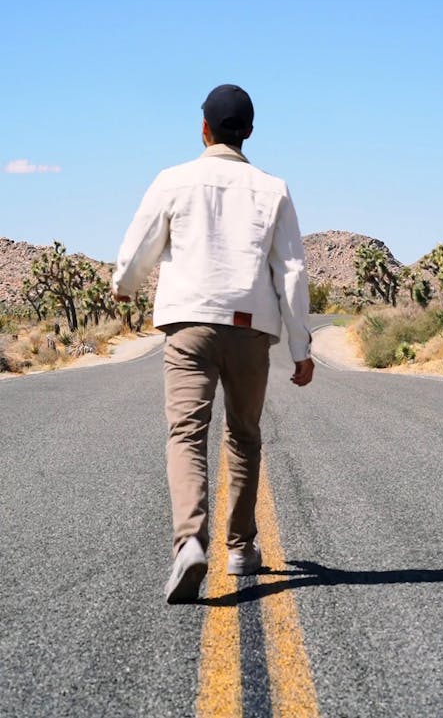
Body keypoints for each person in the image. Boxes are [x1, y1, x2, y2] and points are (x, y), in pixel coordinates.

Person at [112, 84, 314, 604]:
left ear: (203, 128)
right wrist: (300, 347)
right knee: (244, 433)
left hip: (188, 323)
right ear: (248, 132)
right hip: (250, 327)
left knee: (186, 432)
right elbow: (291, 271)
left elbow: (138, 249)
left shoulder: (173, 181)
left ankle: (189, 544)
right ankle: (242, 547)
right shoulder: (273, 189)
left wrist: (124, 286)